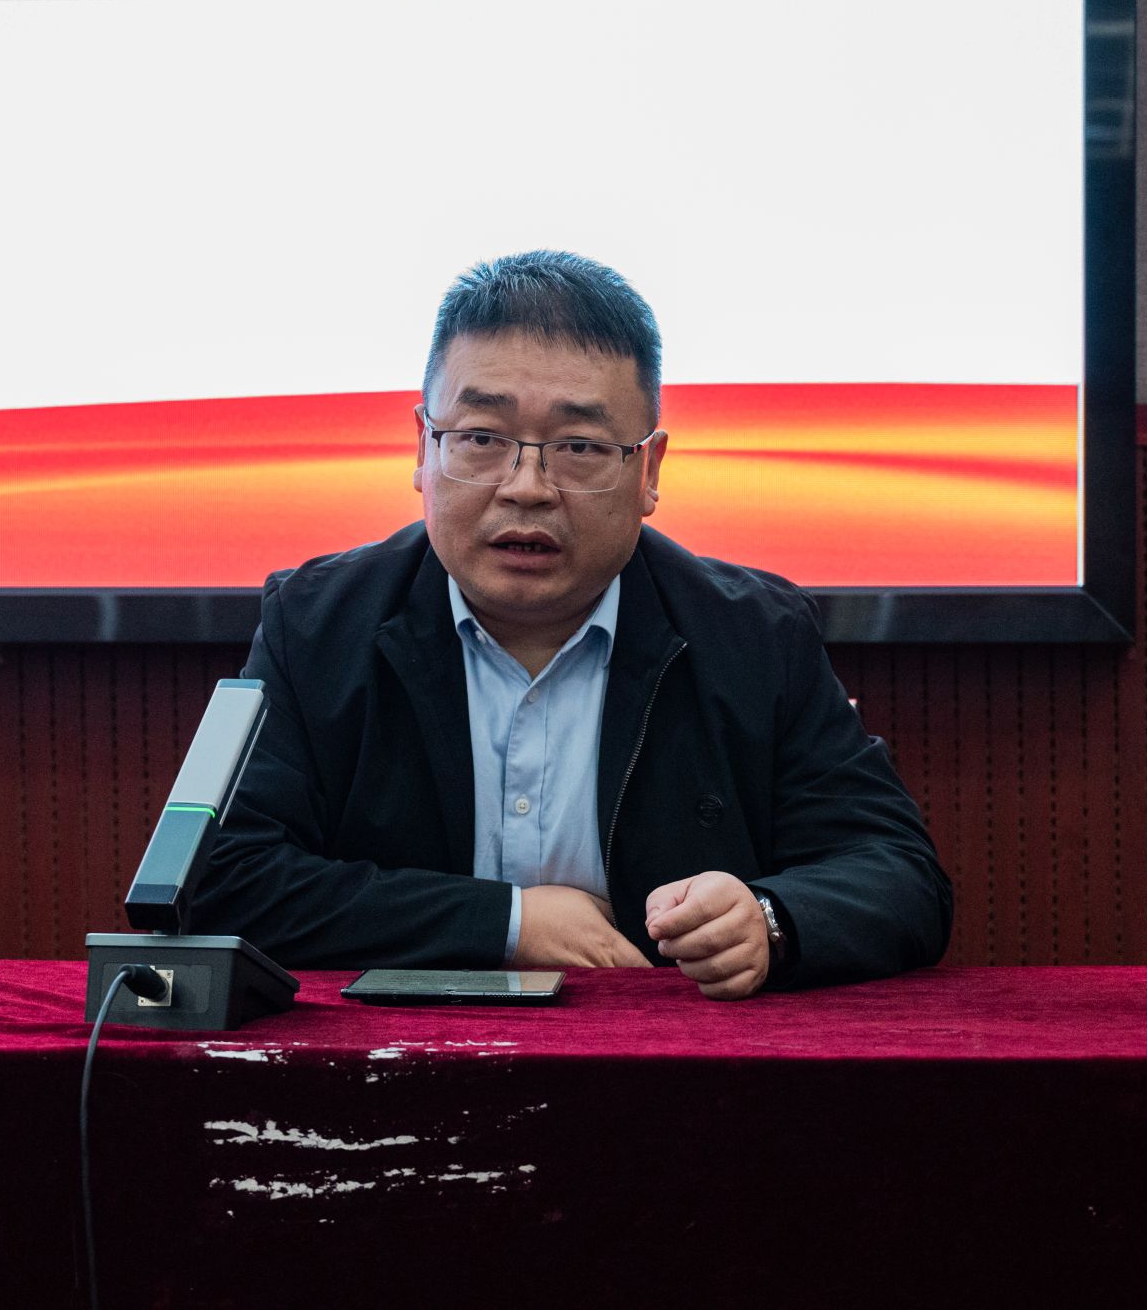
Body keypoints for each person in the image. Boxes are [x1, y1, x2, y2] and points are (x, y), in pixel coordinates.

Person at [188, 250, 952, 998]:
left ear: (648, 471)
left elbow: (898, 871)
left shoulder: (754, 633)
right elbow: (216, 879)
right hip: (401, 1057)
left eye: (579, 446)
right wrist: (505, 922)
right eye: (482, 438)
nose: (527, 487)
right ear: (423, 448)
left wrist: (769, 919)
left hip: (664, 1062)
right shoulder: (315, 625)